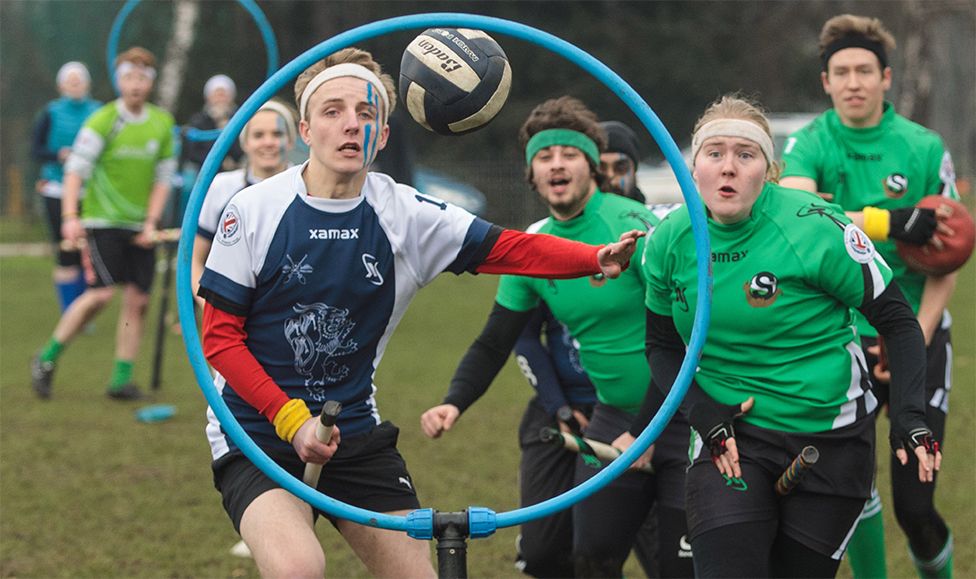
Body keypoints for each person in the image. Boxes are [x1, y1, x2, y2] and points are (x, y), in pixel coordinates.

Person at [195, 49, 641, 578]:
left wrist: (594, 256)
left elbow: (512, 248)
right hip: (254, 429)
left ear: (382, 135)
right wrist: (290, 421)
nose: (351, 124)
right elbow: (220, 341)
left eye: (367, 113)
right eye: (333, 111)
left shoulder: (404, 214)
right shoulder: (253, 210)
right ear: (306, 129)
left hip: (352, 429)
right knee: (298, 568)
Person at [624, 94, 941, 578]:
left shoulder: (817, 227)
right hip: (731, 436)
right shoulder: (669, 239)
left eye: (745, 155)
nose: (728, 168)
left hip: (829, 436)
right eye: (715, 154)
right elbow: (663, 346)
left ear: (769, 171)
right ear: (694, 167)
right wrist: (700, 411)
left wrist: (909, 415)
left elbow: (896, 319)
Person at [420, 97, 693, 578]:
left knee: (683, 568)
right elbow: (495, 341)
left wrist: (649, 424)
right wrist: (454, 402)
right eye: (544, 157)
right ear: (531, 173)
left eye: (569, 153)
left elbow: (685, 338)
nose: (557, 164)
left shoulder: (638, 229)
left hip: (679, 413)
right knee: (588, 556)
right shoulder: (536, 244)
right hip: (612, 419)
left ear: (591, 165)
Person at [779, 15, 959, 578]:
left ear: (885, 78)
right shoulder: (808, 143)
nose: (853, 81)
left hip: (918, 332)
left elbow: (948, 256)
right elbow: (800, 219)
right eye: (841, 72)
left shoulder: (924, 147)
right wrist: (891, 220)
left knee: (915, 506)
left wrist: (911, 339)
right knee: (850, 490)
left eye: (864, 70)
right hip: (836, 338)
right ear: (826, 83)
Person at [30, 46, 176, 401]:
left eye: (142, 77)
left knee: (139, 301)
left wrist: (152, 222)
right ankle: (47, 358)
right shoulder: (103, 120)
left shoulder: (163, 123)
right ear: (118, 80)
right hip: (102, 222)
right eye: (128, 76)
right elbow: (75, 171)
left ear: (151, 82)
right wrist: (69, 217)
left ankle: (120, 378)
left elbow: (162, 179)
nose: (135, 84)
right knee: (100, 294)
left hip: (141, 225)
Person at [191, 98, 298, 310]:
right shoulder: (221, 187)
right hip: (229, 313)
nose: (268, 142)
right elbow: (193, 260)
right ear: (245, 142)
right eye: (258, 135)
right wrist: (213, 309)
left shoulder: (306, 188)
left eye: (277, 134)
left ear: (290, 141)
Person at [30, 61, 101, 313]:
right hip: (56, 190)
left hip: (90, 191)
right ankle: (69, 309)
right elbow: (35, 149)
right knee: (66, 251)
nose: (75, 84)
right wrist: (57, 155)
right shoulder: (50, 113)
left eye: (79, 80)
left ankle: (83, 309)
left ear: (87, 83)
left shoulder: (99, 111)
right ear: (61, 85)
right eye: (70, 80)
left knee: (88, 253)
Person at [181, 74, 244, 173]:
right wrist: (219, 161)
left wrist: (223, 124)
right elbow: (192, 152)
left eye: (224, 95)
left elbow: (241, 149)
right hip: (202, 171)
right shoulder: (198, 120)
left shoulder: (239, 119)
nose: (220, 99)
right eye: (217, 95)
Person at [599, 120, 647, 204]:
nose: (610, 177)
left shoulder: (657, 215)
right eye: (601, 168)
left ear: (634, 170)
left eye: (620, 168)